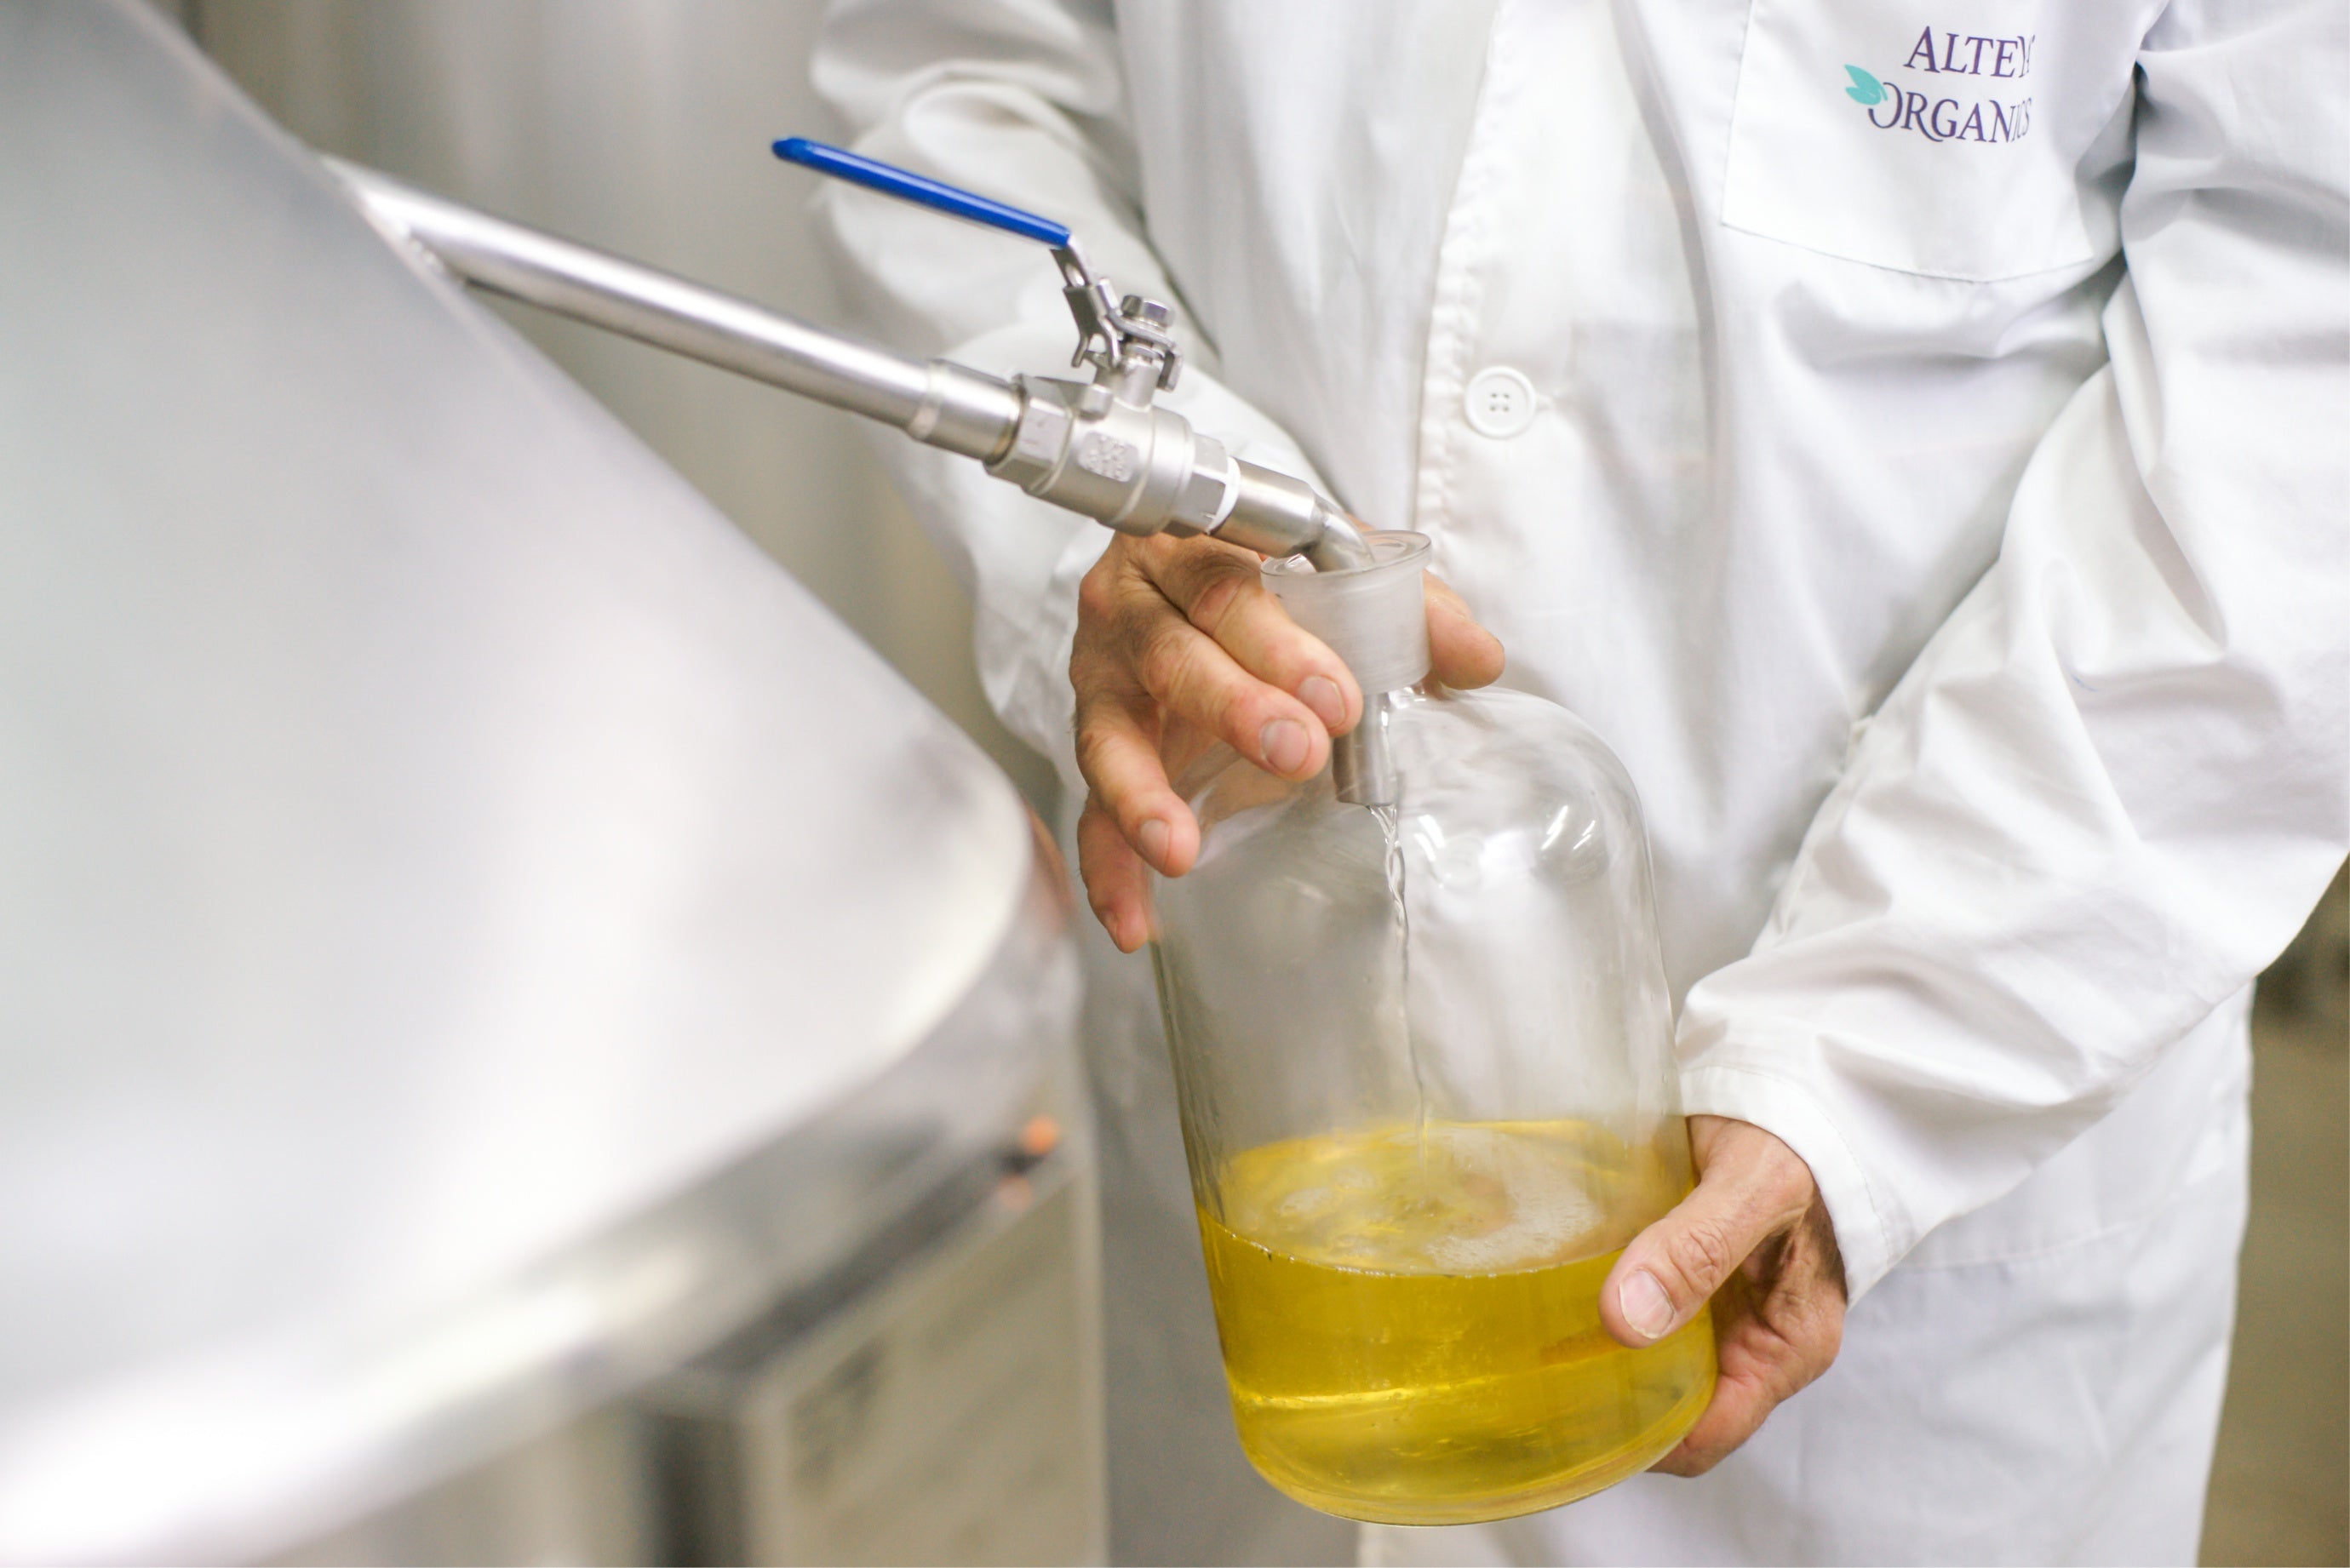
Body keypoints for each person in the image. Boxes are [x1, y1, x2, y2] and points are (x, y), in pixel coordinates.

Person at [807, 2, 2348, 1562]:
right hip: (1260, 1111)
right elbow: (959, 80)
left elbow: (2300, 371)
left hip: (1928, 1251)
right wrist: (1127, 508)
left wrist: (1876, 1067)